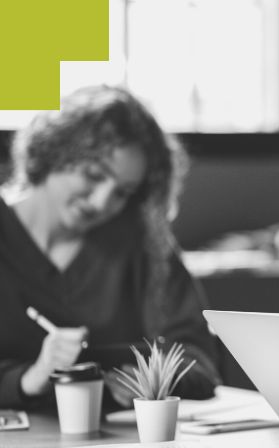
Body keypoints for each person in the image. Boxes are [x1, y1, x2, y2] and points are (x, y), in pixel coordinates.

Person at [0, 85, 220, 410]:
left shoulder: (141, 242)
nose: (102, 202)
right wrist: (27, 379)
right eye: (93, 175)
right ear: (52, 151)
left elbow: (198, 358)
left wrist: (145, 379)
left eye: (122, 192)